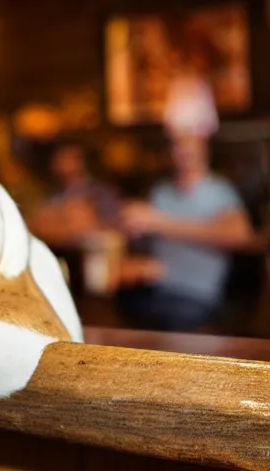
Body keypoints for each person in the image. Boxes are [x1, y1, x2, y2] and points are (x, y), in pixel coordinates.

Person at [118, 75, 254, 331]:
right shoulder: (161, 192)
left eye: (191, 141)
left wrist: (161, 223)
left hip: (197, 300)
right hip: (155, 293)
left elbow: (240, 235)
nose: (185, 150)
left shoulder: (219, 191)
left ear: (205, 146)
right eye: (179, 142)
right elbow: (148, 249)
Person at [30, 141, 119, 247]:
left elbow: (114, 230)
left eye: (67, 157)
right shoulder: (52, 193)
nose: (60, 162)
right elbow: (39, 225)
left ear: (81, 161)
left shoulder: (100, 192)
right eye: (59, 157)